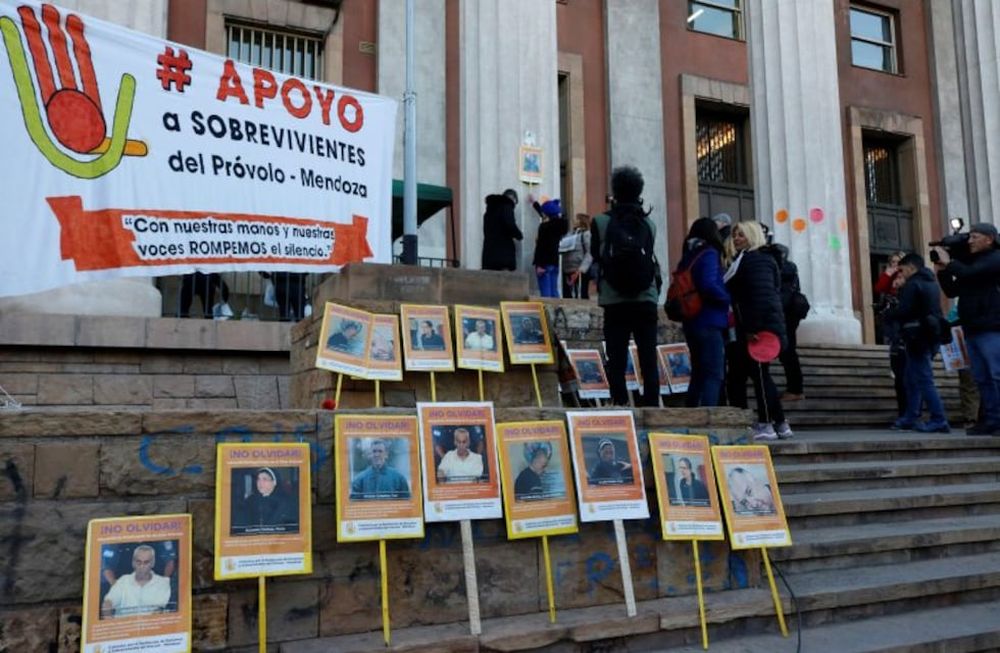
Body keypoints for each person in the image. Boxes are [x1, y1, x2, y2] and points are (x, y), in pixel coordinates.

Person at [591, 165, 661, 407]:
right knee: (648, 354)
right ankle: (651, 404)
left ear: (615, 191)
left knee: (617, 356)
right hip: (646, 297)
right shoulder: (649, 224)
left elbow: (597, 257)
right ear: (639, 191)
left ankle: (620, 403)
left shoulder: (600, 221)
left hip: (614, 299)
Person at [724, 221, 792, 440]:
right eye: (735, 235)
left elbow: (758, 298)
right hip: (763, 326)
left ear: (752, 237)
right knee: (760, 375)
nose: (736, 239)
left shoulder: (754, 261)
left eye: (741, 235)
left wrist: (753, 328)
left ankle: (766, 423)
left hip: (758, 329)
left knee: (760, 376)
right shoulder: (759, 260)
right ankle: (780, 423)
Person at [934, 222, 1000, 435]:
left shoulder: (995, 258)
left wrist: (951, 262)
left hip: (992, 326)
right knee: (981, 378)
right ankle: (992, 420)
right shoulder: (970, 264)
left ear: (989, 239)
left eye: (974, 237)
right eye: (968, 237)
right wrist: (942, 272)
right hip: (971, 328)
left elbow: (971, 273)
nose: (969, 241)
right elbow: (953, 291)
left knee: (996, 374)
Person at [885, 253, 950, 433]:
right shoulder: (931, 283)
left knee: (923, 379)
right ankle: (910, 416)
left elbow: (905, 310)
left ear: (912, 268)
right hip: (930, 334)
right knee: (910, 378)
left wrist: (889, 314)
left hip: (917, 336)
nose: (901, 273)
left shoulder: (912, 284)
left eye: (903, 269)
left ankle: (938, 418)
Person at [675, 217, 730, 407]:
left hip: (691, 320)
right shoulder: (709, 253)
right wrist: (726, 298)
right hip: (709, 319)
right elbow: (708, 284)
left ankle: (691, 414)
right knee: (713, 373)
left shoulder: (688, 254)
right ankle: (709, 417)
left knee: (698, 371)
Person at [875, 252, 908, 419]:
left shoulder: (908, 278)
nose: (896, 265)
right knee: (892, 338)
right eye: (893, 262)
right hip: (891, 315)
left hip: (903, 318)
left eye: (899, 262)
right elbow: (880, 288)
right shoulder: (890, 275)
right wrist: (888, 274)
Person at [773, 244, 807, 402]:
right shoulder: (792, 268)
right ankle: (796, 388)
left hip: (778, 313)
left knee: (786, 353)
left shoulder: (775, 268)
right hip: (791, 316)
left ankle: (794, 389)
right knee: (789, 352)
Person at [101, 545, 172, 617]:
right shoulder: (123, 581)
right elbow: (108, 603)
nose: (142, 566)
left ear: (153, 563)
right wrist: (109, 621)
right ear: (133, 562)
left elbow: (160, 609)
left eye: (146, 562)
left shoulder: (163, 583)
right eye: (138, 562)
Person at [232, 468, 299, 534]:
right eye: (258, 479)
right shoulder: (250, 500)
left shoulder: (287, 502)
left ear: (274, 482)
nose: (260, 483)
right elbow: (241, 523)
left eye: (265, 479)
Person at [529, 196, 568, 297]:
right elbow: (545, 214)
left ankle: (548, 313)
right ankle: (556, 312)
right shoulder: (560, 225)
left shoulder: (545, 227)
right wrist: (535, 204)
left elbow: (541, 247)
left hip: (544, 263)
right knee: (554, 292)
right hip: (554, 262)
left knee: (546, 295)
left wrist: (540, 264)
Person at [481, 189, 523, 271]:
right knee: (505, 280)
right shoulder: (507, 207)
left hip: (489, 254)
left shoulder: (489, 210)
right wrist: (519, 235)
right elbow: (509, 224)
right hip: (503, 255)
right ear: (513, 199)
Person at [561, 213, 594, 299]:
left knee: (581, 295)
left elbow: (589, 253)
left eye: (576, 219)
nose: (574, 221)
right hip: (567, 269)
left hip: (579, 270)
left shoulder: (586, 234)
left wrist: (581, 269)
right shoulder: (570, 234)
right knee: (568, 296)